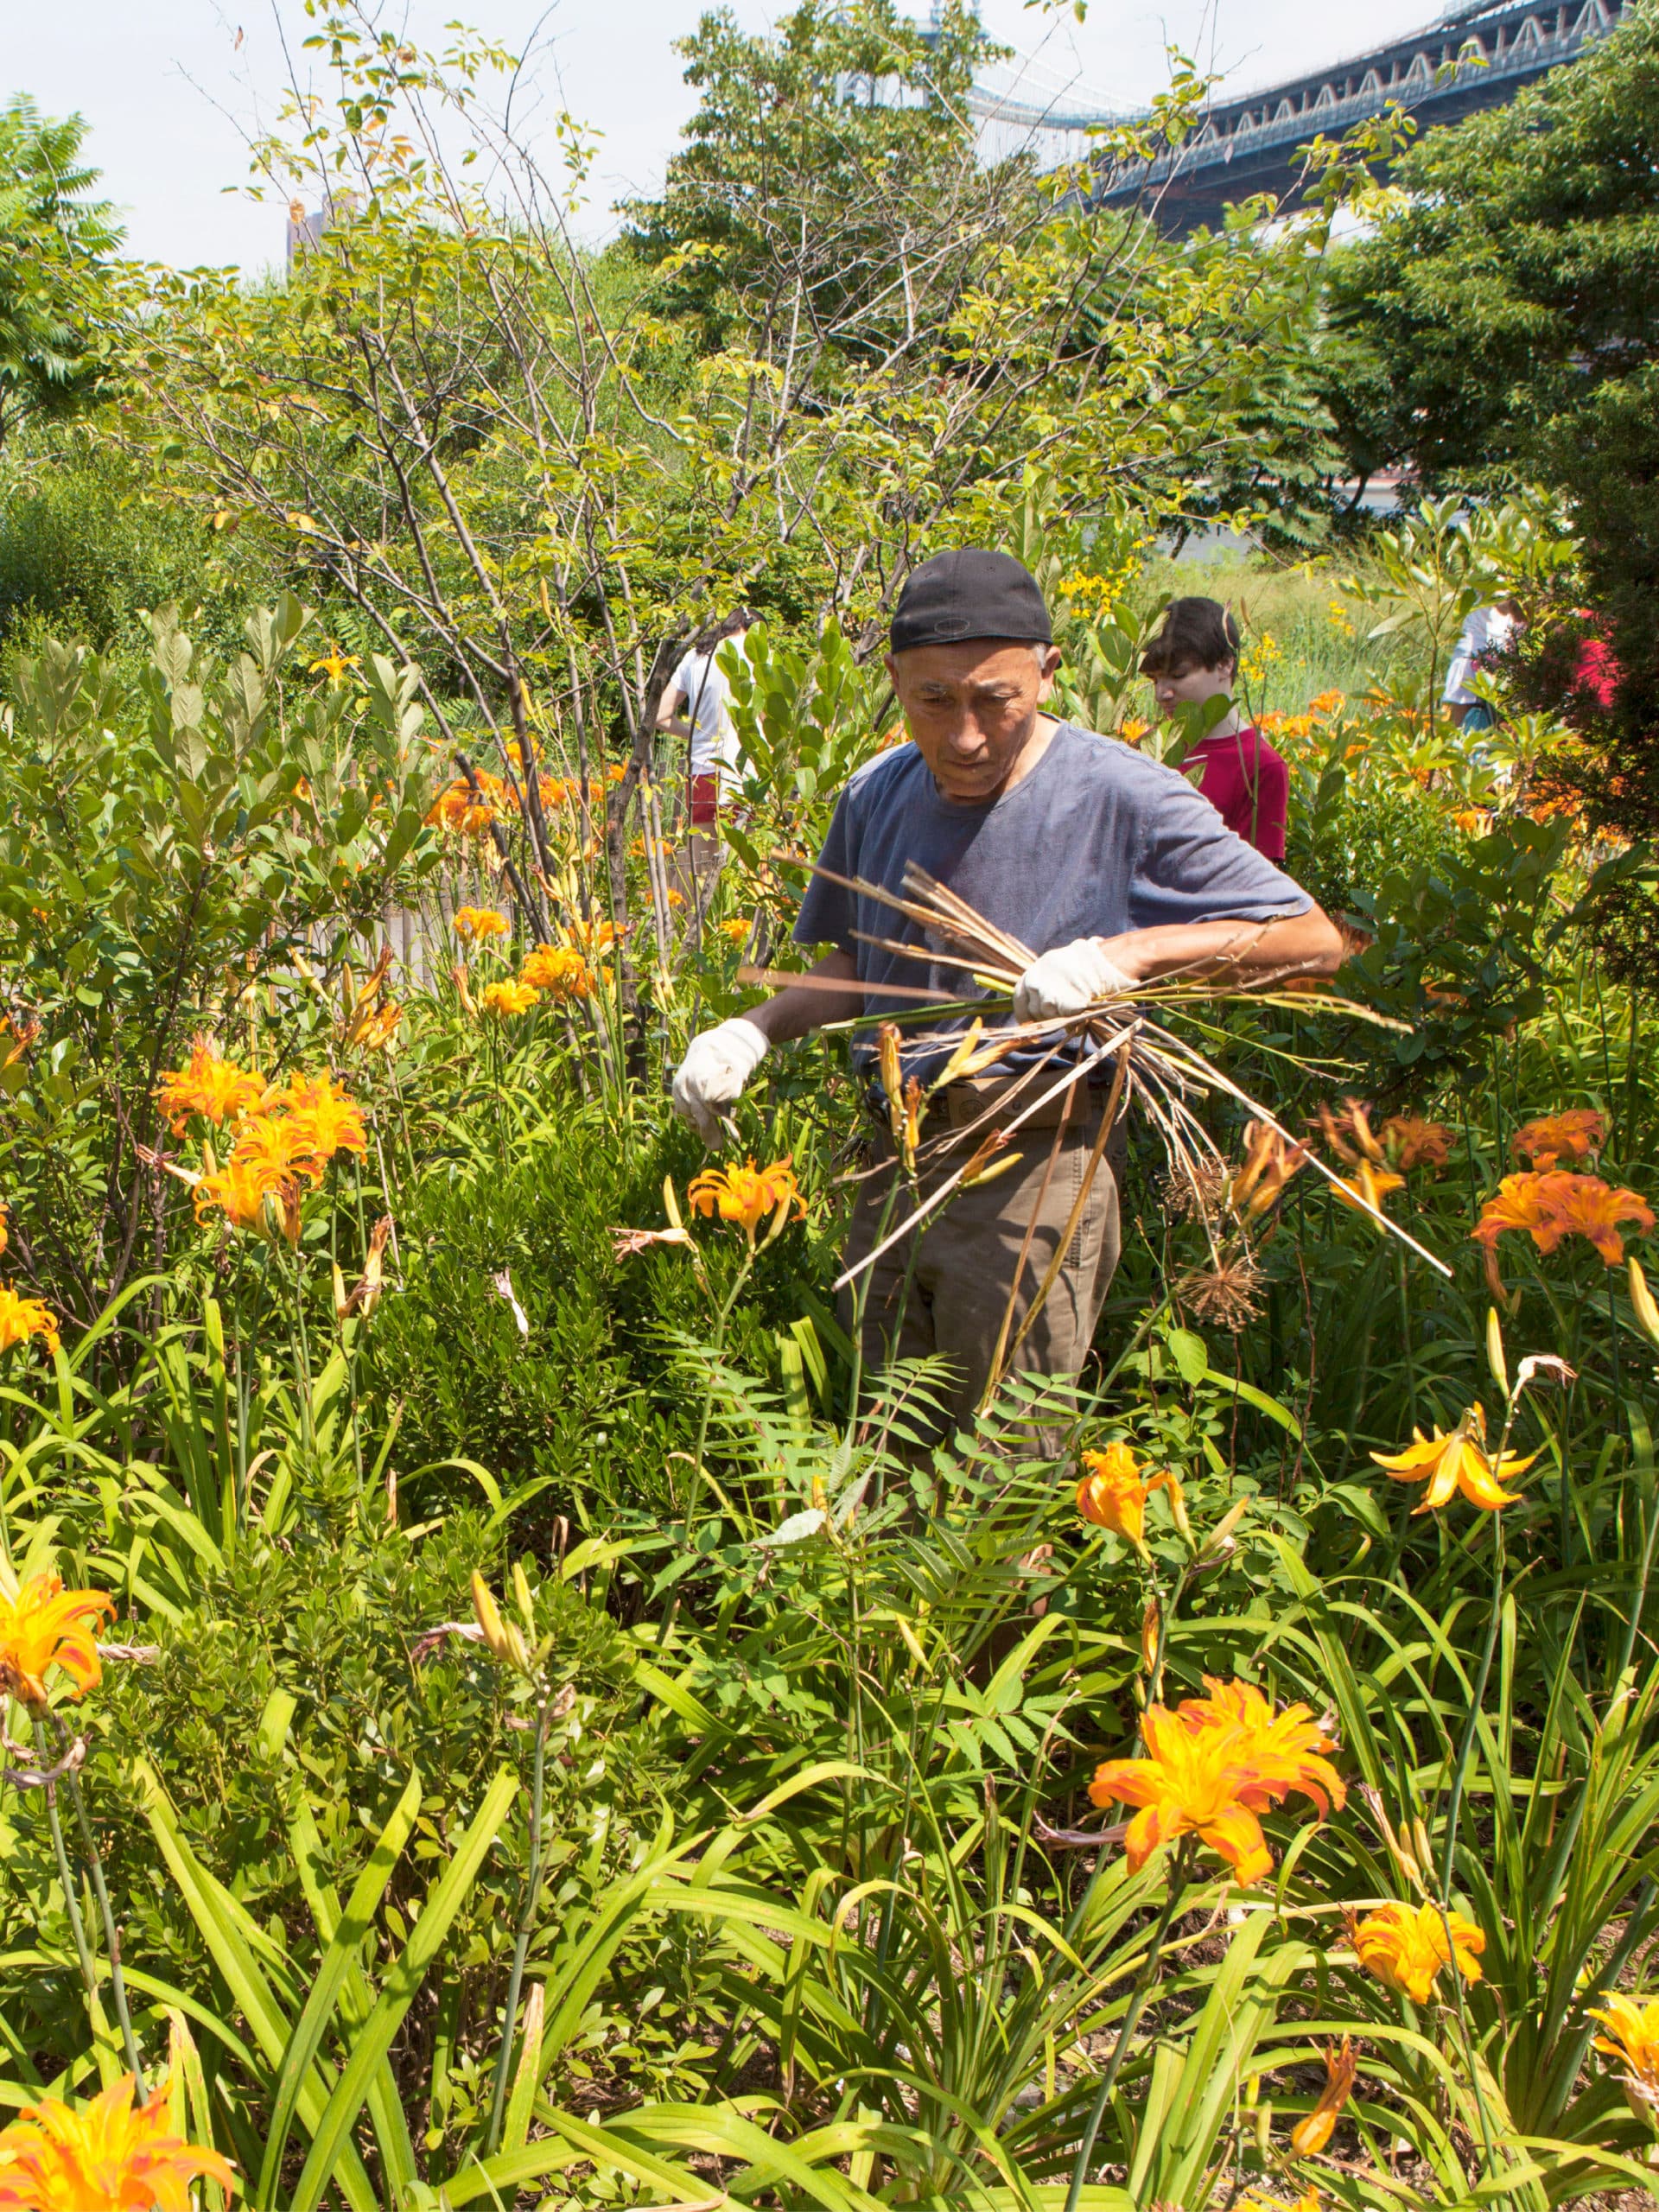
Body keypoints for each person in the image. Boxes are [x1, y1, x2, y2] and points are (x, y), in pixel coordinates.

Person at [670, 550, 1344, 1442]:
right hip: (892, 1167)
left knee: (999, 1477)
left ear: (1047, 671)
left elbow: (1311, 940)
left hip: (1032, 1168)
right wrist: (752, 1032)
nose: (966, 736)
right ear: (895, 682)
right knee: (883, 1456)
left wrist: (1127, 956)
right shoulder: (877, 794)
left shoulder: (1120, 793)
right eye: (933, 701)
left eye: (997, 698)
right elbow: (861, 966)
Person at [1140, 598, 1290, 860]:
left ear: (1224, 664)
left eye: (1178, 675)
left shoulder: (1261, 766)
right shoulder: (1150, 745)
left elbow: (1256, 884)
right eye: (1155, 680)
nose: (1162, 693)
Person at [655, 609, 755, 874]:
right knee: (746, 874)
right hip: (746, 774)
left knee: (698, 870)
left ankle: (686, 917)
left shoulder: (696, 656)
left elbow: (660, 716)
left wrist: (697, 733)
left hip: (702, 771)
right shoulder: (758, 653)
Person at [1444, 598, 1521, 733]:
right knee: (1463, 721)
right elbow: (1503, 605)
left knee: (1507, 724)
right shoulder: (1490, 581)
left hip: (1504, 647)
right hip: (1477, 646)